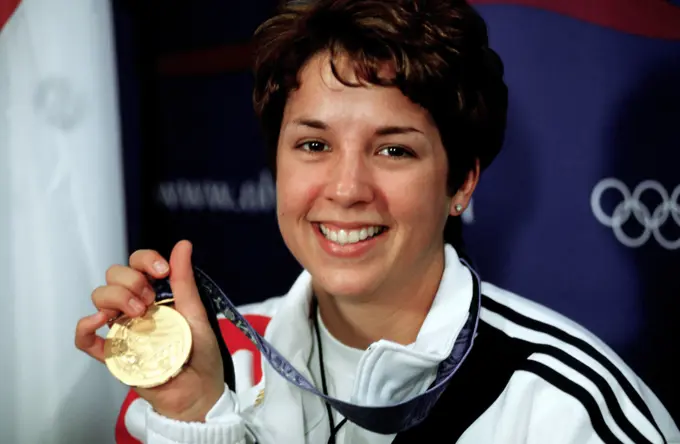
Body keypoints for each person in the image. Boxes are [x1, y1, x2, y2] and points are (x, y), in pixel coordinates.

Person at [75, 0, 679, 443]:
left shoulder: (567, 407)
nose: (345, 188)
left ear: (461, 182)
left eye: (394, 150)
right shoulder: (206, 363)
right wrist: (196, 419)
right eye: (313, 145)